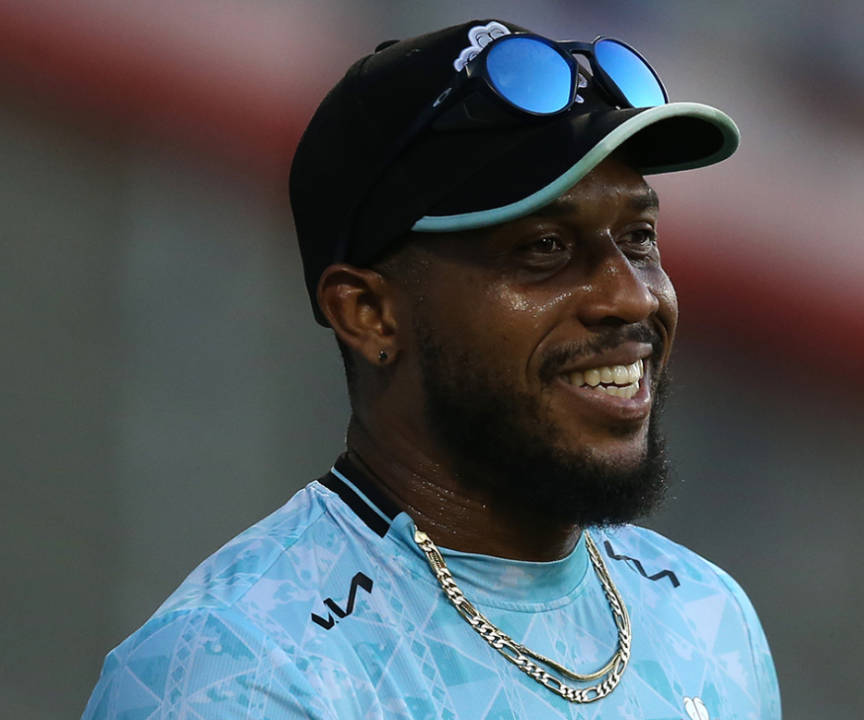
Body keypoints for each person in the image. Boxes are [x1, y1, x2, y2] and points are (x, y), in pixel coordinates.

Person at [83, 18, 780, 719]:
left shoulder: (707, 617)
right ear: (369, 314)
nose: (630, 295)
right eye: (543, 247)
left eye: (638, 237)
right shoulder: (241, 673)